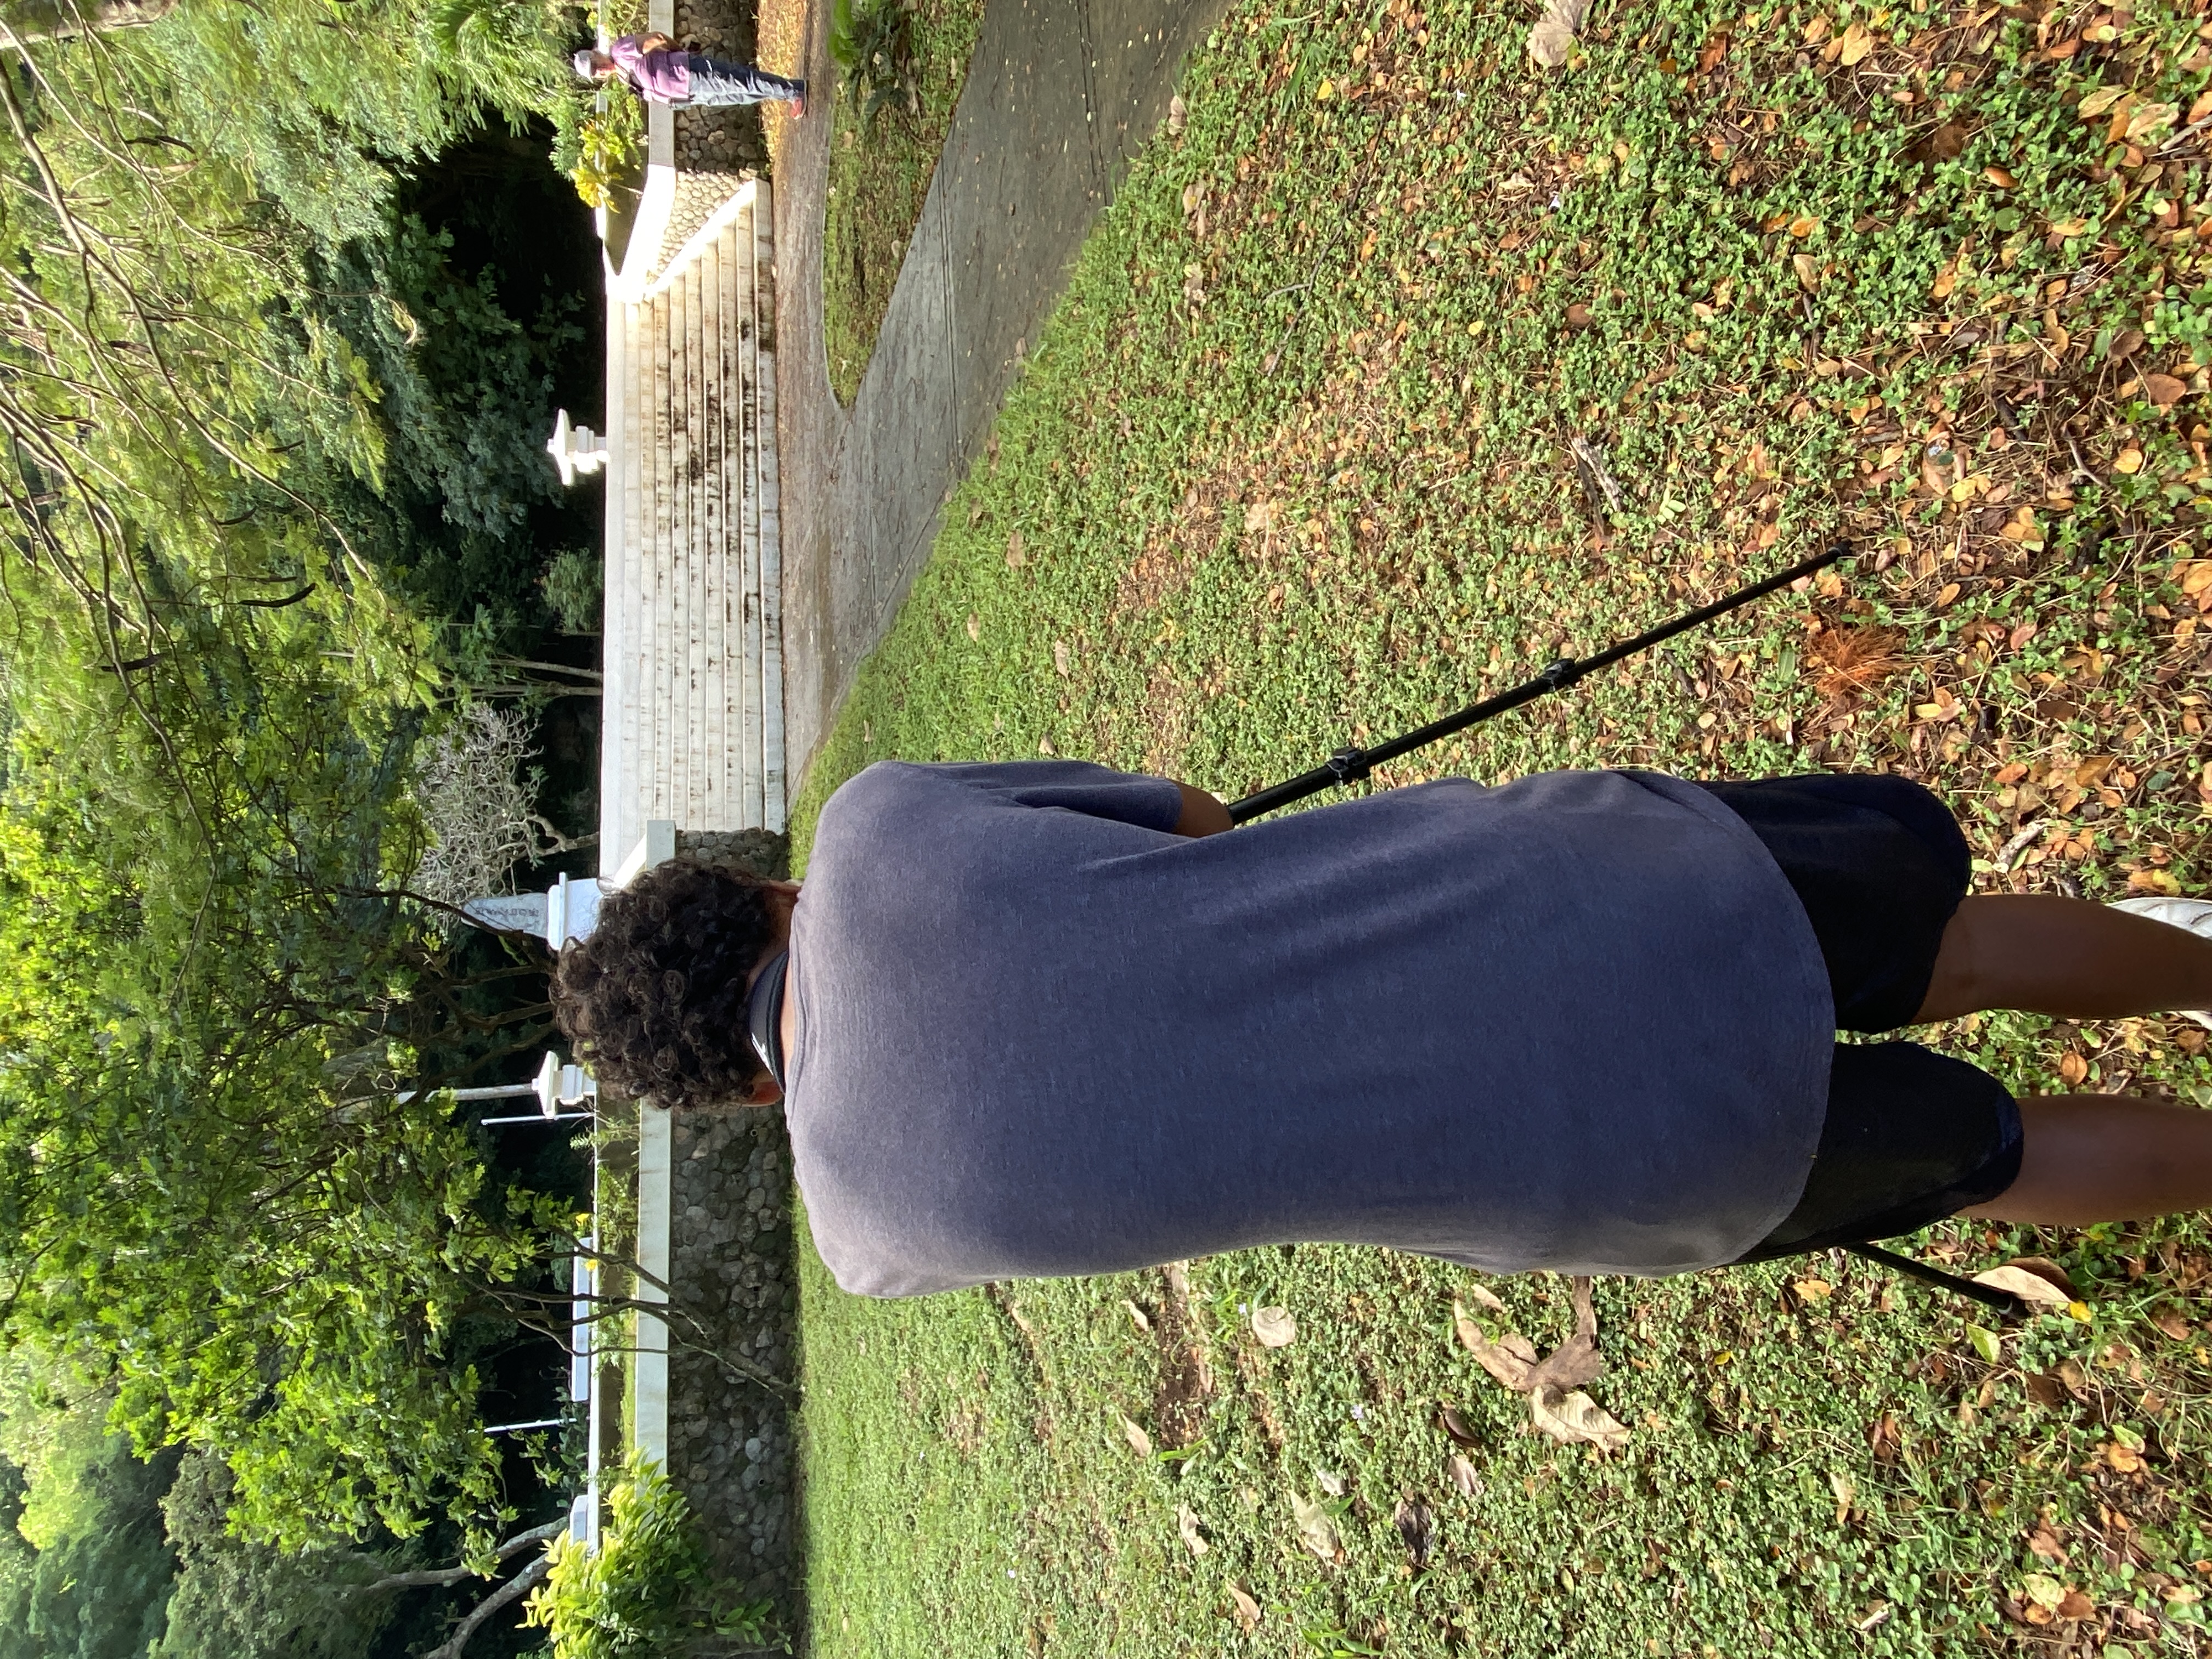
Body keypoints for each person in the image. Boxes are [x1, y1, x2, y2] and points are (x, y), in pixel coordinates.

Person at [551, 760, 2212, 1298]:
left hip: (1588, 1171)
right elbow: (1194, 819)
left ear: (741, 1095)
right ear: (752, 894)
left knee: (1983, 1165)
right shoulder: (873, 828)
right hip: (1579, 889)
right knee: (1956, 947)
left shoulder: (866, 1241)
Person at [573, 33, 805, 115]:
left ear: (597, 54)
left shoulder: (620, 51)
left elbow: (657, 39)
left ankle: (793, 92)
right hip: (689, 95)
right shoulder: (623, 77)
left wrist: (678, 53)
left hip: (690, 73)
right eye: (596, 73)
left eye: (596, 65)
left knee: (742, 81)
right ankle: (791, 89)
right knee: (740, 97)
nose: (601, 70)